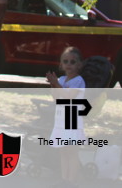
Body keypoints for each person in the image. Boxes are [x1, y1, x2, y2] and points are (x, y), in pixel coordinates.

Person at [46, 46, 85, 187]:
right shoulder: (62, 80)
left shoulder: (79, 81)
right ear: (61, 64)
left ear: (79, 64)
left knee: (72, 152)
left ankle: (72, 180)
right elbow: (57, 97)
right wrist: (53, 85)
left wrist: (56, 84)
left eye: (72, 62)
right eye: (65, 61)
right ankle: (64, 178)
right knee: (63, 151)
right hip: (61, 121)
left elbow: (69, 96)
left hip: (72, 121)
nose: (69, 64)